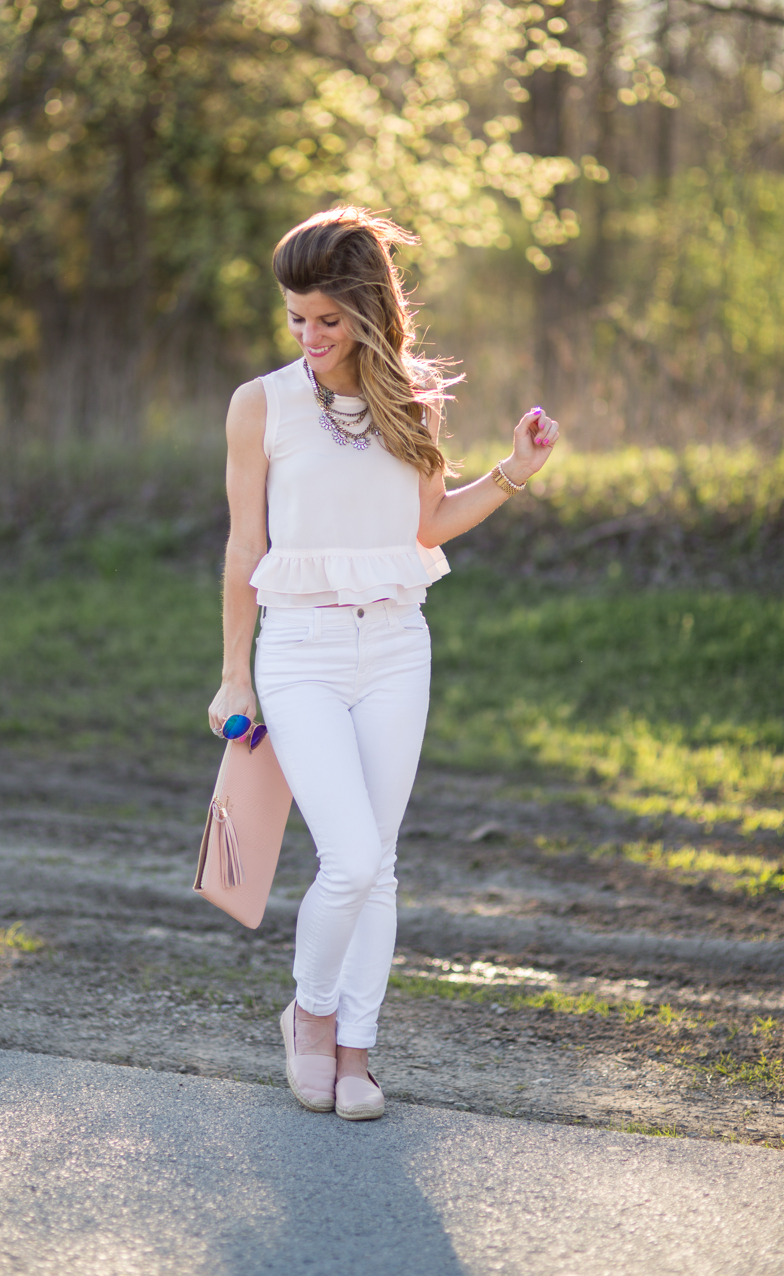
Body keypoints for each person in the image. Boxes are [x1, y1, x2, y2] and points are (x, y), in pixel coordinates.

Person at [208, 206, 558, 1121]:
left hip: (398, 645)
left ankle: (358, 1055)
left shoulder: (411, 397)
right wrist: (234, 675)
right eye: (296, 318)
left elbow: (427, 527)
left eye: (328, 318)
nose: (310, 336)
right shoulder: (263, 404)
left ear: (367, 310)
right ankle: (310, 1018)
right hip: (300, 651)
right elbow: (245, 547)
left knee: (382, 866)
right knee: (351, 857)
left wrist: (514, 470)